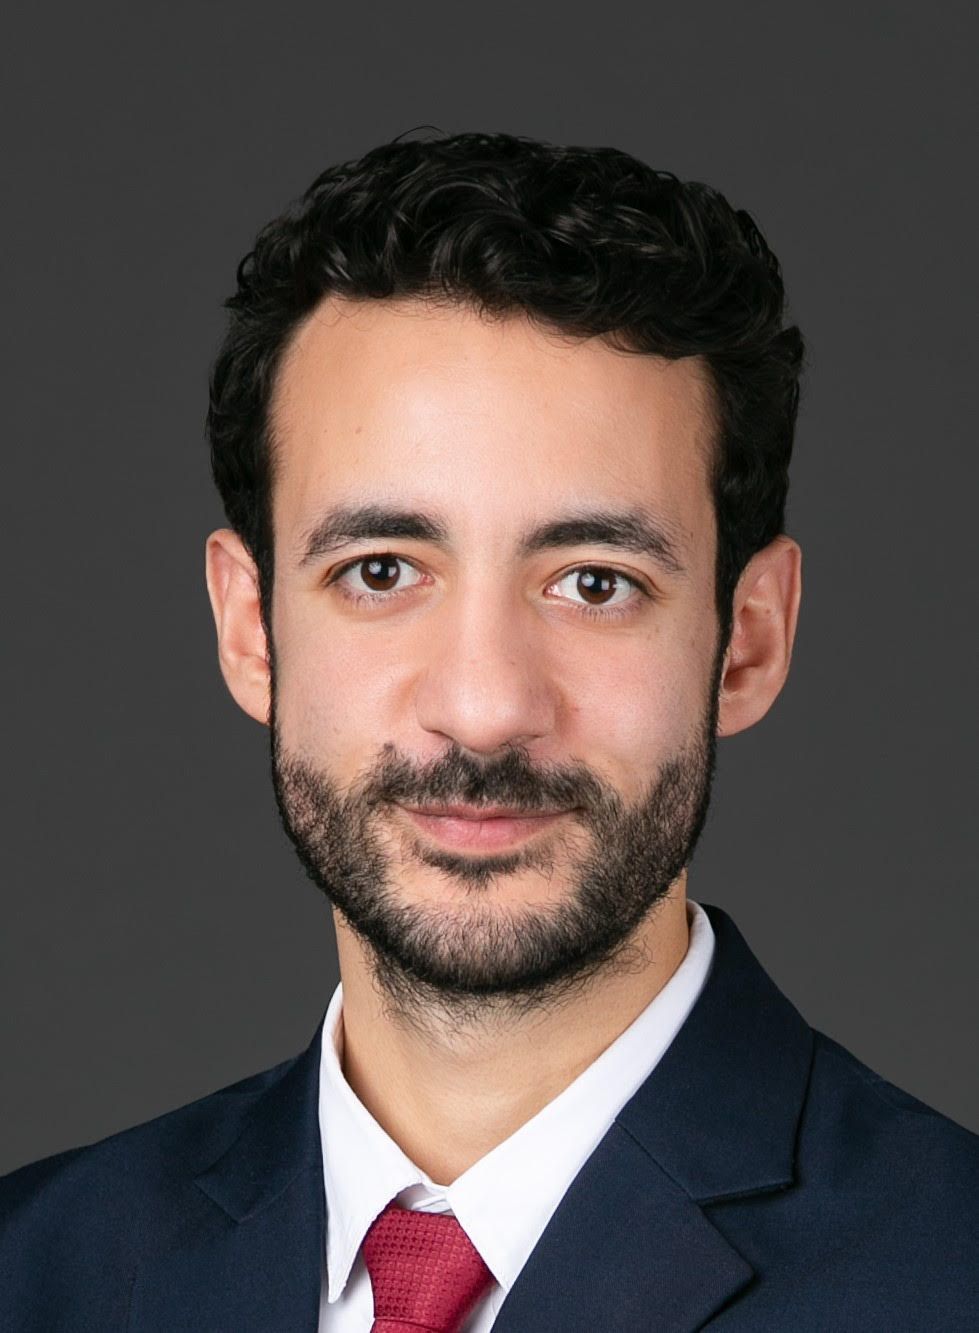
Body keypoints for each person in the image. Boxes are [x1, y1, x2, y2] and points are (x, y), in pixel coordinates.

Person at [1, 130, 976, 1332]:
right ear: (251, 629)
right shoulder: (34, 1273)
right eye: (380, 569)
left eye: (594, 581)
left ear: (750, 639)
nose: (483, 704)